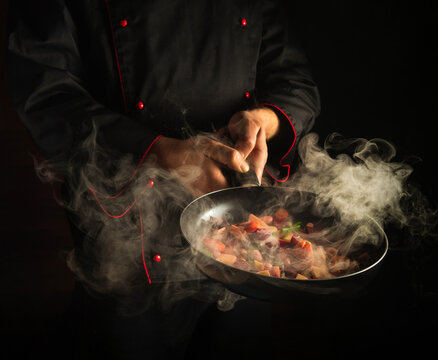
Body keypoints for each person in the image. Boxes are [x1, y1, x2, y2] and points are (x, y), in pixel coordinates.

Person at [6, 0, 320, 358]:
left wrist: (264, 120)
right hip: (125, 239)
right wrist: (160, 152)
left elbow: (295, 82)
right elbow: (43, 90)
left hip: (244, 246)